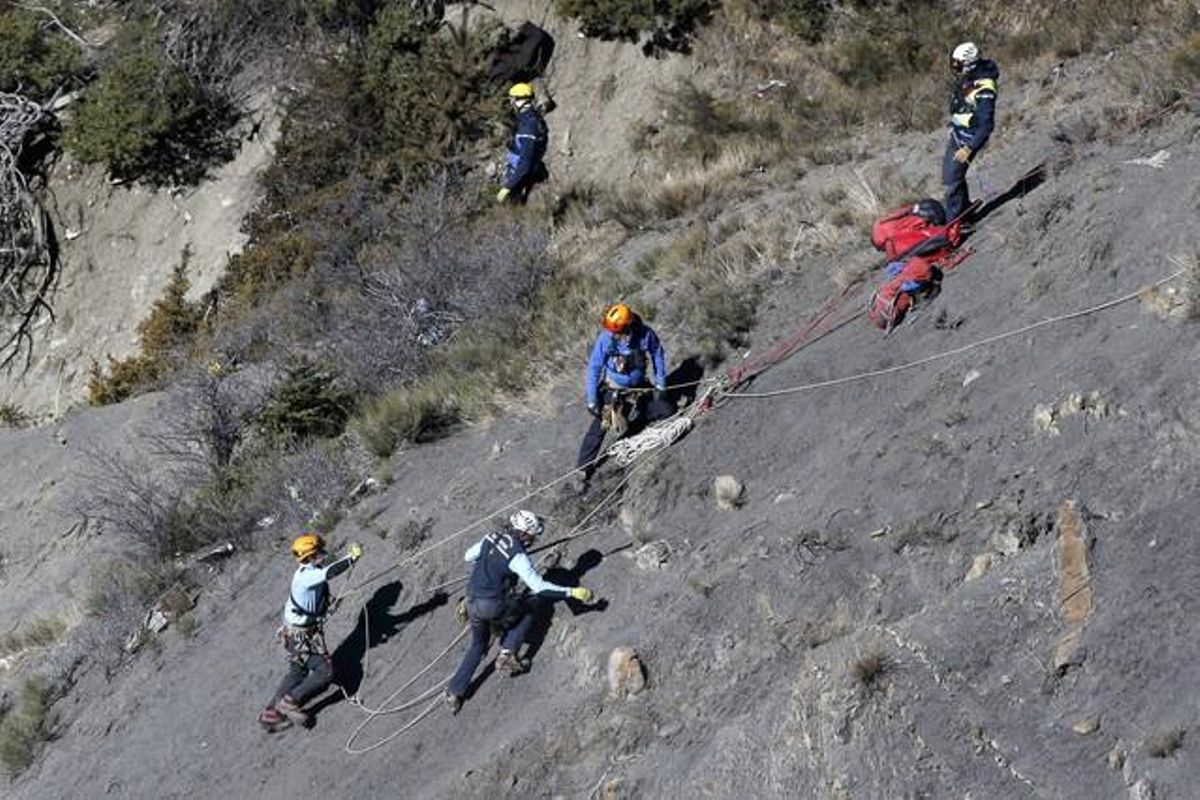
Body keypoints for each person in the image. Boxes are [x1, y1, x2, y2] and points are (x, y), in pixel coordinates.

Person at [443, 511, 593, 712]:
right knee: (529, 606)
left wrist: (490, 564)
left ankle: (454, 692)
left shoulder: (492, 537)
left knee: (478, 644)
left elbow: (468, 555)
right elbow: (539, 587)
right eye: (533, 536)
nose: (534, 540)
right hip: (492, 605)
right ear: (525, 533)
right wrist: (571, 592)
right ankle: (507, 653)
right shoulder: (518, 556)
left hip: (471, 601)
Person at [257, 533, 362, 732]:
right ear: (311, 554)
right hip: (298, 637)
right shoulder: (308, 576)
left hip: (294, 635)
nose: (323, 552)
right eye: (319, 550)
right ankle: (289, 703)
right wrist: (352, 558)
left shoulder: (308, 573)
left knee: (296, 673)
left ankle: (270, 715)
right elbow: (331, 573)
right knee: (325, 671)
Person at [575, 303, 674, 488]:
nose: (614, 335)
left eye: (618, 331)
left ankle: (636, 422)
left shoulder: (645, 335)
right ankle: (583, 468)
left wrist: (661, 384)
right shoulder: (606, 339)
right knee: (600, 426)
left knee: (667, 410)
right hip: (615, 389)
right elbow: (595, 368)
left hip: (639, 387)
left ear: (628, 326)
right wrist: (592, 400)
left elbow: (657, 354)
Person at [943, 42, 999, 222]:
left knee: (952, 181)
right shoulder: (970, 78)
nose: (955, 69)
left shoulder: (985, 88)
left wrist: (969, 148)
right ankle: (964, 209)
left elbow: (986, 125)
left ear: (969, 64)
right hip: (958, 135)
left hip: (968, 140)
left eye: (958, 65)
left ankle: (955, 224)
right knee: (952, 176)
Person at [496, 82, 549, 204]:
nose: (511, 103)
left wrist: (507, 187)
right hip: (525, 173)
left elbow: (525, 163)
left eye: (513, 99)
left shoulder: (529, 125)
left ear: (520, 100)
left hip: (521, 177)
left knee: (511, 210)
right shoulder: (531, 119)